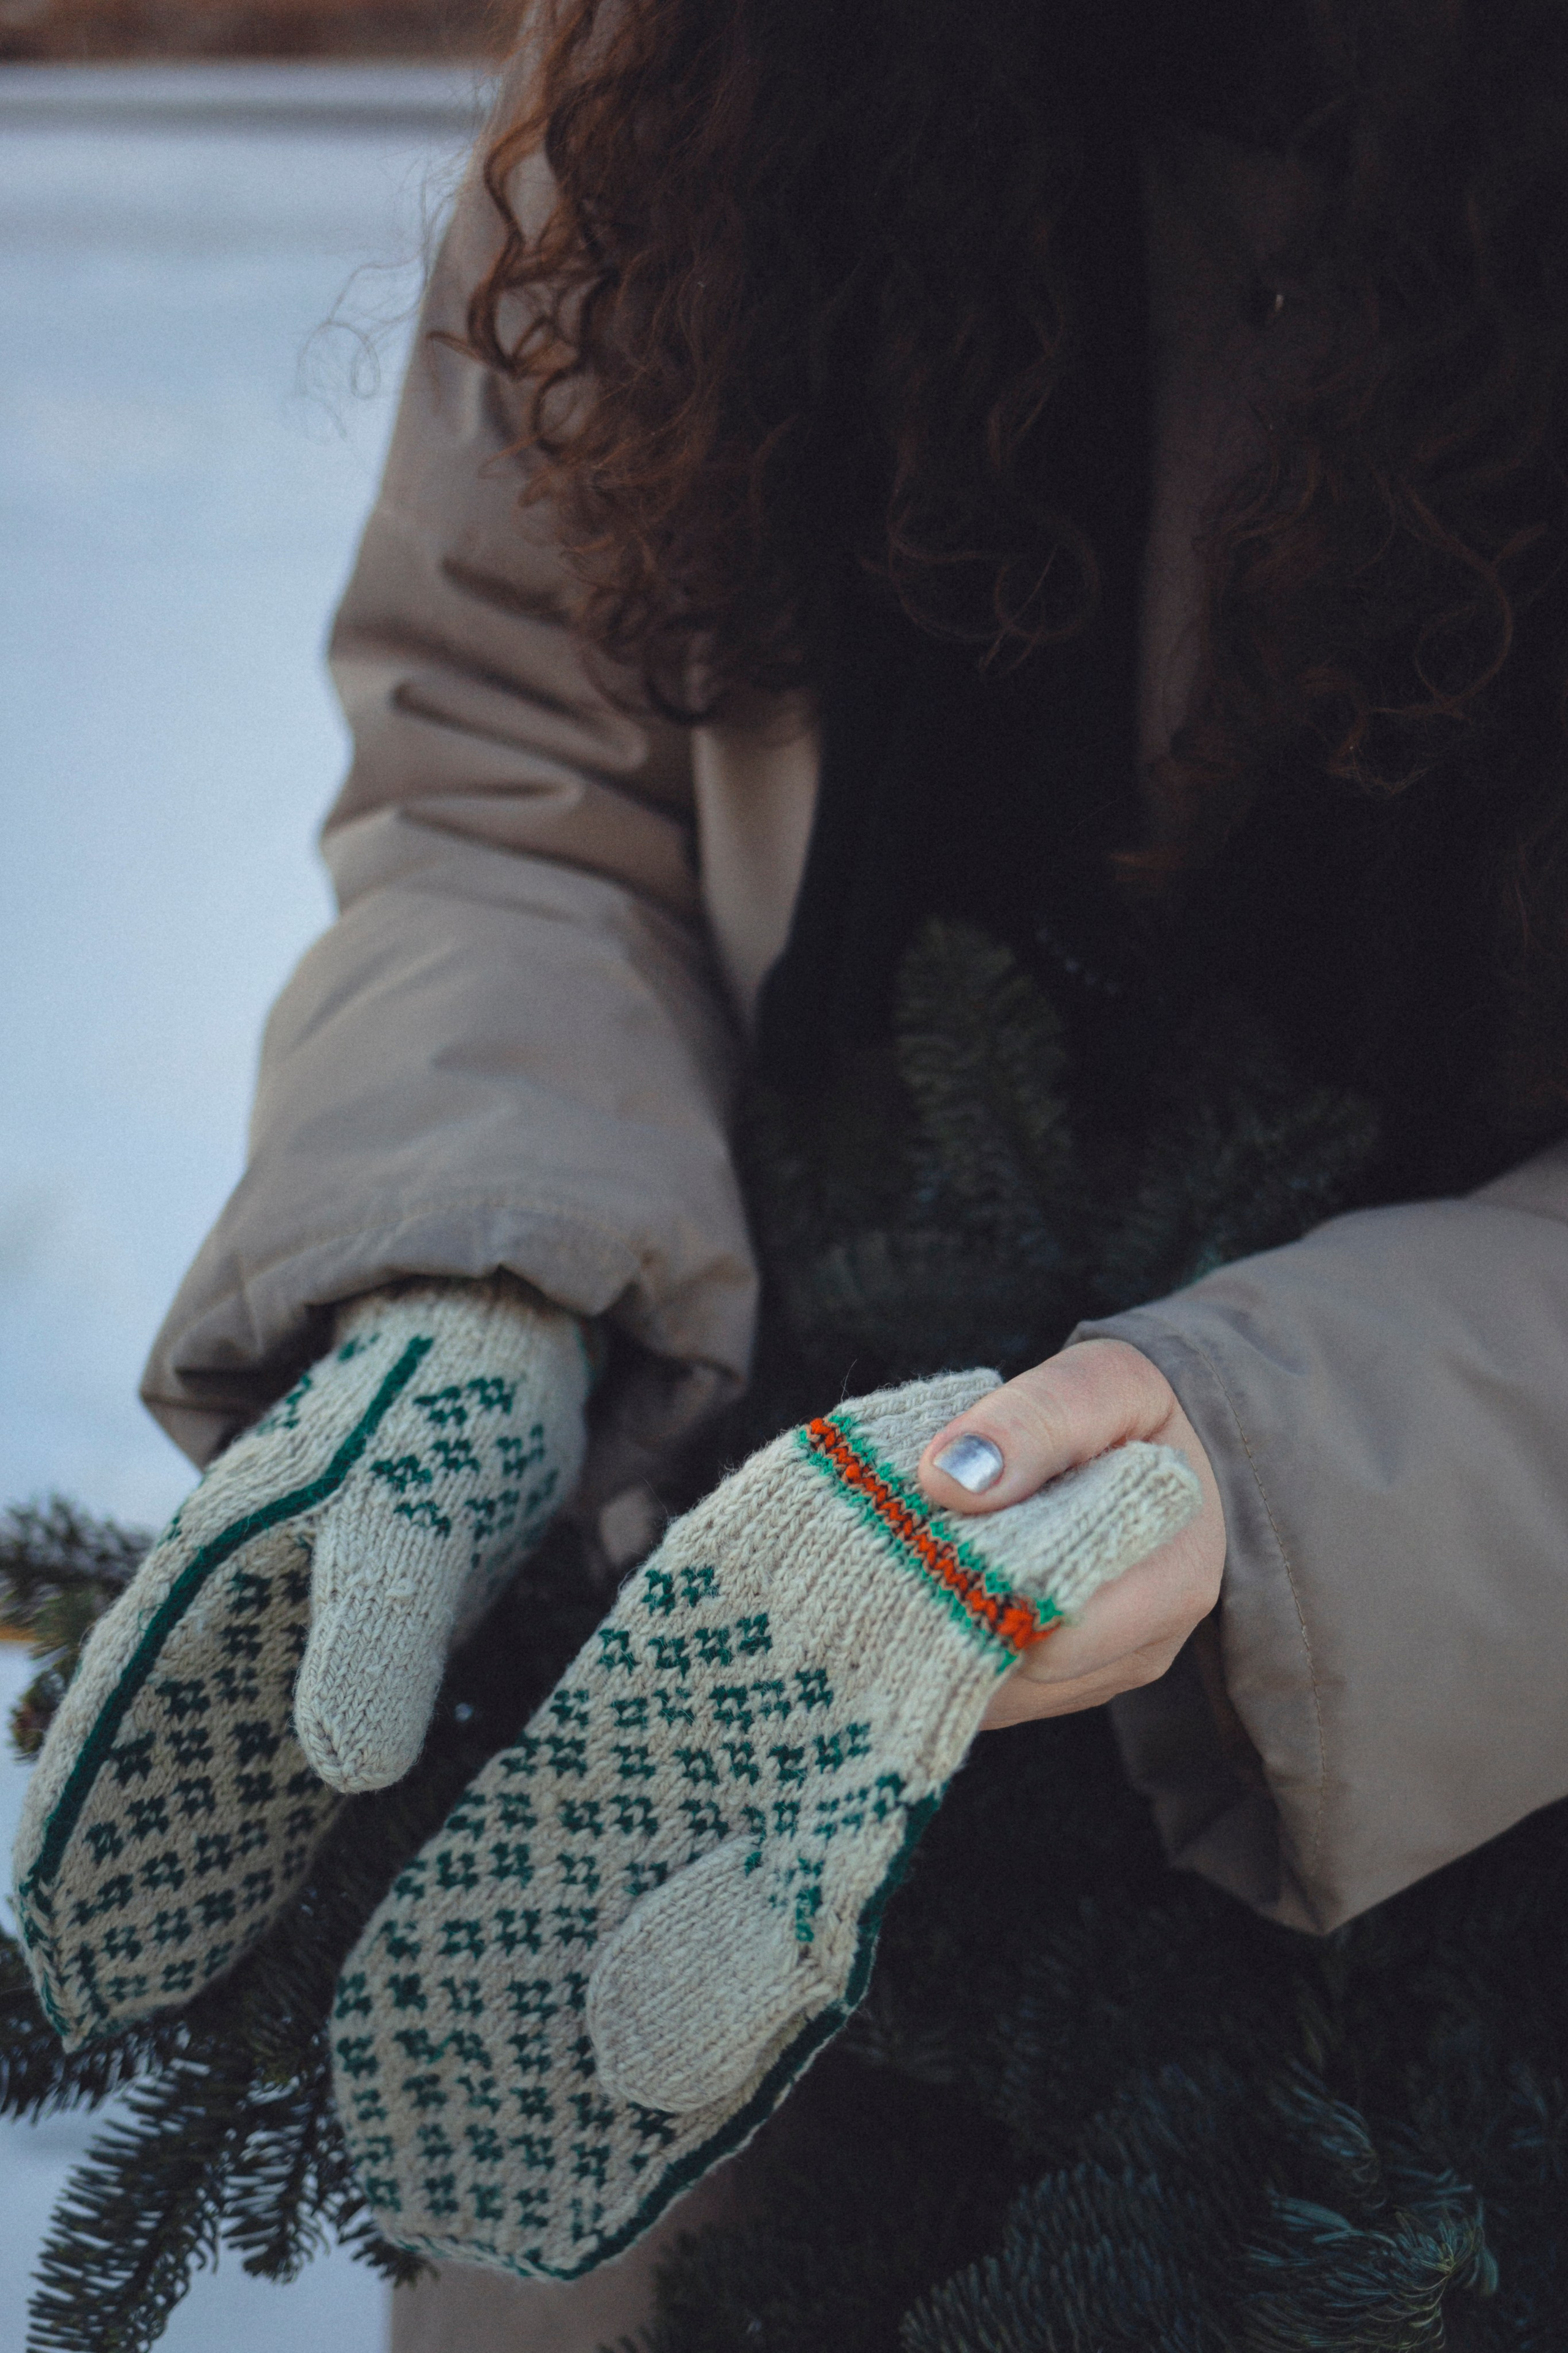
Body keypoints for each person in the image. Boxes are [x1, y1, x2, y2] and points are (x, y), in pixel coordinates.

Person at [72, 0, 1568, 2341]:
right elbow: (515, 776)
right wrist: (478, 1267)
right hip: (698, 1662)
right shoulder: (690, 76)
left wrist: (1269, 1476)